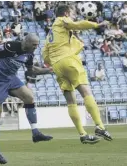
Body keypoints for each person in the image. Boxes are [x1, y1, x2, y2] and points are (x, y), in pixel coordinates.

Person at [0, 33, 53, 164]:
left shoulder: (29, 55)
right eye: (34, 45)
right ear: (26, 41)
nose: (36, 47)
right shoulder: (10, 46)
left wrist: (49, 70)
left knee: (29, 97)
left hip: (11, 79)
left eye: (37, 45)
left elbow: (31, 71)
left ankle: (35, 133)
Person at [42, 5, 113, 145]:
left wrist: (57, 61)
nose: (73, 15)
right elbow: (77, 24)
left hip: (56, 65)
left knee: (70, 101)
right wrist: (97, 24)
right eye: (72, 13)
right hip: (69, 60)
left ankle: (82, 134)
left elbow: (45, 57)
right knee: (86, 92)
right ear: (66, 13)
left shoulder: (50, 34)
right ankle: (99, 126)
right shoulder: (62, 20)